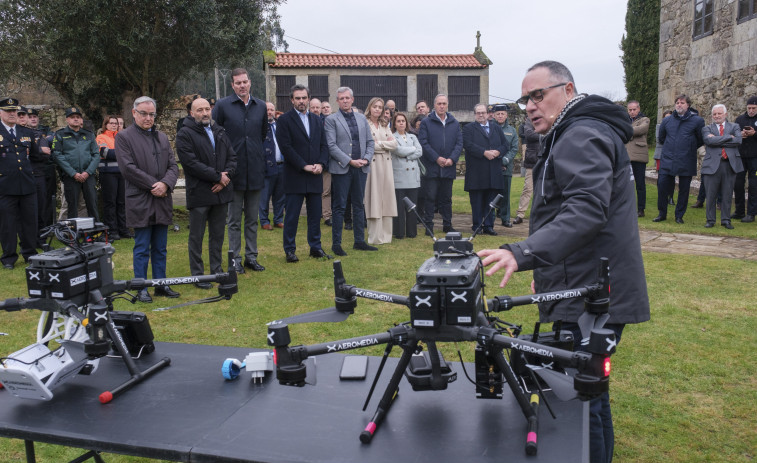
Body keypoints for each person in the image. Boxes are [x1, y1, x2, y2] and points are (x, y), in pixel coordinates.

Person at [478, 61, 650, 463]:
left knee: (578, 396)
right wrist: (548, 272)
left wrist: (521, 254)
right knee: (590, 389)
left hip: (592, 293)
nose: (531, 107)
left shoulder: (581, 133)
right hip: (586, 283)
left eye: (539, 95)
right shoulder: (581, 129)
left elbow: (585, 212)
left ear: (568, 89)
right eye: (526, 100)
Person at [116, 96, 180, 303]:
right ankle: (141, 287)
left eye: (151, 114)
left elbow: (173, 166)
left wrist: (166, 184)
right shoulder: (124, 137)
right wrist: (155, 184)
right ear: (134, 113)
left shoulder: (161, 137)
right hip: (141, 199)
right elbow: (128, 169)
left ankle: (161, 284)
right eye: (143, 113)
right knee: (142, 246)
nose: (148, 118)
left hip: (161, 199)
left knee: (160, 247)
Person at [212, 68, 268, 273]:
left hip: (254, 170)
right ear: (232, 85)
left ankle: (251, 257)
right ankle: (234, 258)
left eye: (245, 82)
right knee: (234, 220)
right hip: (232, 172)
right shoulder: (222, 106)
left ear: (250, 82)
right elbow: (216, 136)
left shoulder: (260, 106)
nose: (242, 86)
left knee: (253, 219)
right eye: (238, 83)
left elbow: (261, 135)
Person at [176, 98, 236, 288]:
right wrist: (218, 177)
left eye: (207, 109)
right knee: (196, 237)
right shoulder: (184, 134)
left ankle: (217, 271)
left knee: (217, 235)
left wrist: (225, 178)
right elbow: (191, 163)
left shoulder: (219, 130)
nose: (204, 113)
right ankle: (198, 276)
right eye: (200, 110)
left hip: (220, 193)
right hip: (200, 193)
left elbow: (232, 157)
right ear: (191, 113)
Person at [275, 84, 331, 262]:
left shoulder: (316, 120)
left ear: (308, 99)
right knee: (292, 216)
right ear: (292, 100)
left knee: (315, 216)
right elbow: (286, 148)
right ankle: (290, 250)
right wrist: (304, 166)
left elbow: (324, 145)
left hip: (315, 175)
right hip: (295, 175)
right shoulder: (284, 120)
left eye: (304, 98)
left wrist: (321, 164)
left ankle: (315, 247)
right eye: (297, 98)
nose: (301, 101)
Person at [324, 86, 377, 256]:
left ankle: (359, 241)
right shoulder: (331, 120)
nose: (345, 101)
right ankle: (337, 244)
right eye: (341, 98)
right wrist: (350, 161)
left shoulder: (362, 119)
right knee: (339, 207)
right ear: (337, 101)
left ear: (352, 99)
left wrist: (366, 158)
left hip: (361, 167)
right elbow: (331, 145)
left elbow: (370, 142)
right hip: (342, 168)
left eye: (347, 98)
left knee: (359, 205)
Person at [0, 98, 38, 269]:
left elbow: (36, 156)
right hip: (5, 186)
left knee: (29, 222)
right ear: (1, 113)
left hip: (27, 185)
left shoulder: (26, 132)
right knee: (7, 224)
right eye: (8, 111)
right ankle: (8, 257)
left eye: (14, 111)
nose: (12, 114)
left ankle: (29, 253)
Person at [655, 94, 705, 224]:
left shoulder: (697, 121)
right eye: (677, 102)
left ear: (688, 105)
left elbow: (700, 139)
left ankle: (679, 215)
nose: (679, 104)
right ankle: (662, 213)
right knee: (662, 185)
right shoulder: (667, 121)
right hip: (668, 159)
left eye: (682, 102)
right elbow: (661, 138)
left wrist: (688, 147)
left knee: (684, 189)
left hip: (686, 159)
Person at [418, 94, 462, 234]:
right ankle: (429, 226)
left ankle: (447, 225)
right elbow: (423, 143)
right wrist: (437, 158)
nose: (442, 106)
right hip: (432, 167)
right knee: (430, 198)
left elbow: (459, 144)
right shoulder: (426, 122)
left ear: (447, 104)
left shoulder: (454, 123)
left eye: (444, 103)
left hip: (449, 167)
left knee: (447, 199)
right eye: (439, 104)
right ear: (434, 105)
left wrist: (452, 159)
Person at [462, 103, 505, 235]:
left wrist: (498, 152)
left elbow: (505, 144)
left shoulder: (496, 128)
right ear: (475, 114)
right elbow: (468, 144)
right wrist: (484, 152)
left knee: (490, 201)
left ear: (488, 114)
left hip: (493, 171)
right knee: (477, 201)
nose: (481, 115)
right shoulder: (468, 128)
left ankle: (488, 226)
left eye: (483, 112)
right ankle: (477, 225)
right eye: (478, 113)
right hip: (477, 172)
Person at [51, 107, 100, 220]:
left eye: (78, 117)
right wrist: (73, 173)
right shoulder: (60, 134)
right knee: (71, 206)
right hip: (70, 176)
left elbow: (96, 154)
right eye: (72, 117)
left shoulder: (89, 134)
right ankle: (72, 234)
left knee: (92, 204)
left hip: (88, 175)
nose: (76, 119)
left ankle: (95, 233)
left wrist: (88, 172)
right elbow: (57, 155)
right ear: (67, 120)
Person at [701, 104, 743, 229]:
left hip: (729, 164)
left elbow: (738, 140)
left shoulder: (734, 126)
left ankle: (726, 220)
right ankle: (710, 220)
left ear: (725, 114)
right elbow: (709, 141)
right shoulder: (707, 128)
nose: (717, 116)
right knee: (711, 195)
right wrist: (728, 138)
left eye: (719, 113)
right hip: (712, 165)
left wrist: (717, 140)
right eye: (714, 114)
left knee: (727, 194)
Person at [363, 97, 398, 245]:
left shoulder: (385, 124)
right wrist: (383, 145)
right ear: (370, 107)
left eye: (380, 107)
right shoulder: (364, 123)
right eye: (375, 106)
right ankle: (375, 236)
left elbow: (394, 144)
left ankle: (386, 235)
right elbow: (368, 145)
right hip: (372, 165)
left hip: (386, 165)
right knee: (374, 198)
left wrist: (380, 144)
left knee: (387, 198)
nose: (377, 109)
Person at [96, 115, 129, 239]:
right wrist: (122, 153)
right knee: (110, 203)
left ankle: (123, 229)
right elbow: (105, 153)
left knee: (122, 202)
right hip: (108, 173)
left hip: (122, 173)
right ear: (106, 124)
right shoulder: (101, 137)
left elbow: (129, 152)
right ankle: (112, 230)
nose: (114, 125)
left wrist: (117, 152)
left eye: (116, 123)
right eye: (111, 123)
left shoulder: (121, 137)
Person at [390, 112, 422, 239]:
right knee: (399, 205)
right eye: (398, 121)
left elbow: (420, 151)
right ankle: (399, 232)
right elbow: (398, 151)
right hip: (399, 176)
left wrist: (408, 153)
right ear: (395, 124)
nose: (401, 123)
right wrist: (412, 150)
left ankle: (411, 232)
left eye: (403, 121)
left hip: (413, 176)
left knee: (412, 206)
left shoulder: (413, 137)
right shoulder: (392, 137)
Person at [259, 102, 285, 230]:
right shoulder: (259, 127)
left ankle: (278, 219)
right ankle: (264, 221)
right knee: (264, 196)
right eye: (267, 110)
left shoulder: (280, 125)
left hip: (282, 166)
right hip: (266, 167)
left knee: (280, 196)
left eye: (271, 110)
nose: (269, 112)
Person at [492, 104, 519, 227]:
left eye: (502, 113)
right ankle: (490, 219)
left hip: (506, 167)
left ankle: (505, 218)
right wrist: (497, 160)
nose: (500, 116)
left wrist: (505, 160)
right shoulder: (490, 128)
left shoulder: (512, 130)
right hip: (492, 166)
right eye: (498, 114)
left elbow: (514, 148)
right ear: (494, 115)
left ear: (506, 115)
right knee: (491, 194)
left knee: (505, 194)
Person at [733, 95, 757, 223]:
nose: (751, 110)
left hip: (755, 158)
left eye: (754, 108)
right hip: (741, 157)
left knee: (754, 185)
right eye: (749, 108)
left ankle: (751, 213)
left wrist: (755, 133)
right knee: (738, 184)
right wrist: (740, 135)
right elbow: (733, 135)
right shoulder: (740, 119)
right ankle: (739, 210)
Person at [625, 101, 650, 217]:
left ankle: (641, 209)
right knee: (625, 184)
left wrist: (626, 130)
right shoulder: (625, 121)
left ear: (638, 109)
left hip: (639, 156)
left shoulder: (645, 119)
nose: (632, 112)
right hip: (626, 157)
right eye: (630, 110)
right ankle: (627, 207)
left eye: (634, 109)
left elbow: (641, 129)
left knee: (640, 184)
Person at [514, 115, 539, 225]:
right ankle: (520, 214)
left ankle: (541, 214)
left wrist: (538, 133)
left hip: (548, 157)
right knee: (528, 188)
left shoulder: (550, 116)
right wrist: (546, 134)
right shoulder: (530, 119)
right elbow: (529, 135)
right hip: (533, 159)